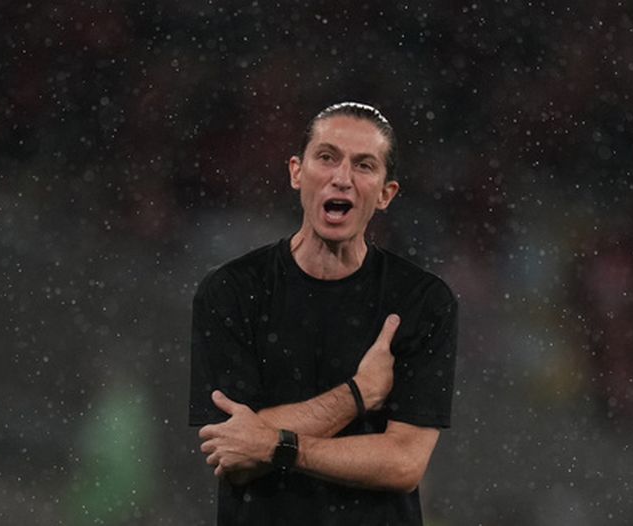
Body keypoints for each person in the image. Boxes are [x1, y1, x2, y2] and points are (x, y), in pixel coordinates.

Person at [189, 102, 458, 525]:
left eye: (364, 165)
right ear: (297, 172)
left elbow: (403, 464)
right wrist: (357, 395)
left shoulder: (423, 301)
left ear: (386, 194)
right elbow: (235, 452)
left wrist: (278, 445)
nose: (342, 178)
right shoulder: (231, 291)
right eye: (327, 157)